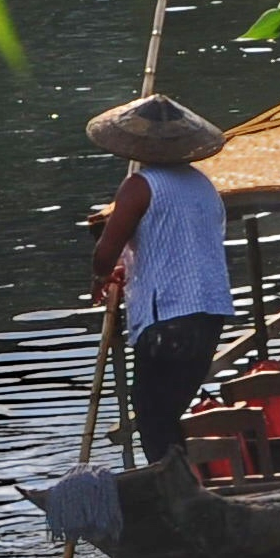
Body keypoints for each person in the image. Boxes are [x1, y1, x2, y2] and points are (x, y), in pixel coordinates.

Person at [84, 93, 237, 464]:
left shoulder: (139, 186)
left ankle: (173, 489)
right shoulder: (203, 186)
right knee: (165, 413)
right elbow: (172, 244)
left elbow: (105, 252)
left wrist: (101, 276)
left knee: (152, 415)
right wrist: (128, 267)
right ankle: (182, 482)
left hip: (168, 316)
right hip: (210, 312)